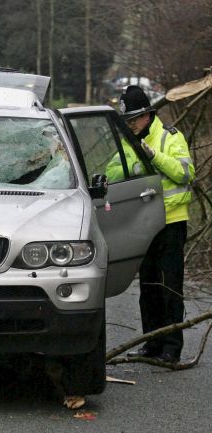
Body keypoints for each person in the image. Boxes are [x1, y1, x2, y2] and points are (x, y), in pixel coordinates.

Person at [121, 85, 195, 363]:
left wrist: (154, 157)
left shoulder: (170, 137)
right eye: (127, 121)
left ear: (148, 115)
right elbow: (114, 170)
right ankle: (150, 343)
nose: (131, 125)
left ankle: (171, 348)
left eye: (134, 120)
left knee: (169, 287)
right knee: (148, 287)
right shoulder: (130, 141)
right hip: (144, 224)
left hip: (171, 223)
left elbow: (185, 173)